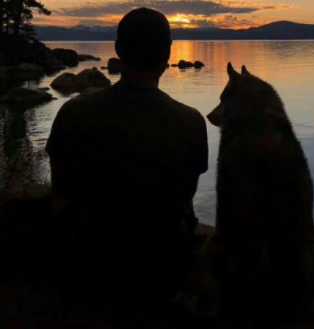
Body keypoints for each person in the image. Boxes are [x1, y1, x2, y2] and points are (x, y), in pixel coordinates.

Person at [45, 8, 208, 308]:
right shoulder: (191, 122)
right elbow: (185, 195)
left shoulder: (73, 112)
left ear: (119, 51)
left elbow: (60, 196)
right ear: (167, 55)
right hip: (161, 268)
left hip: (87, 262)